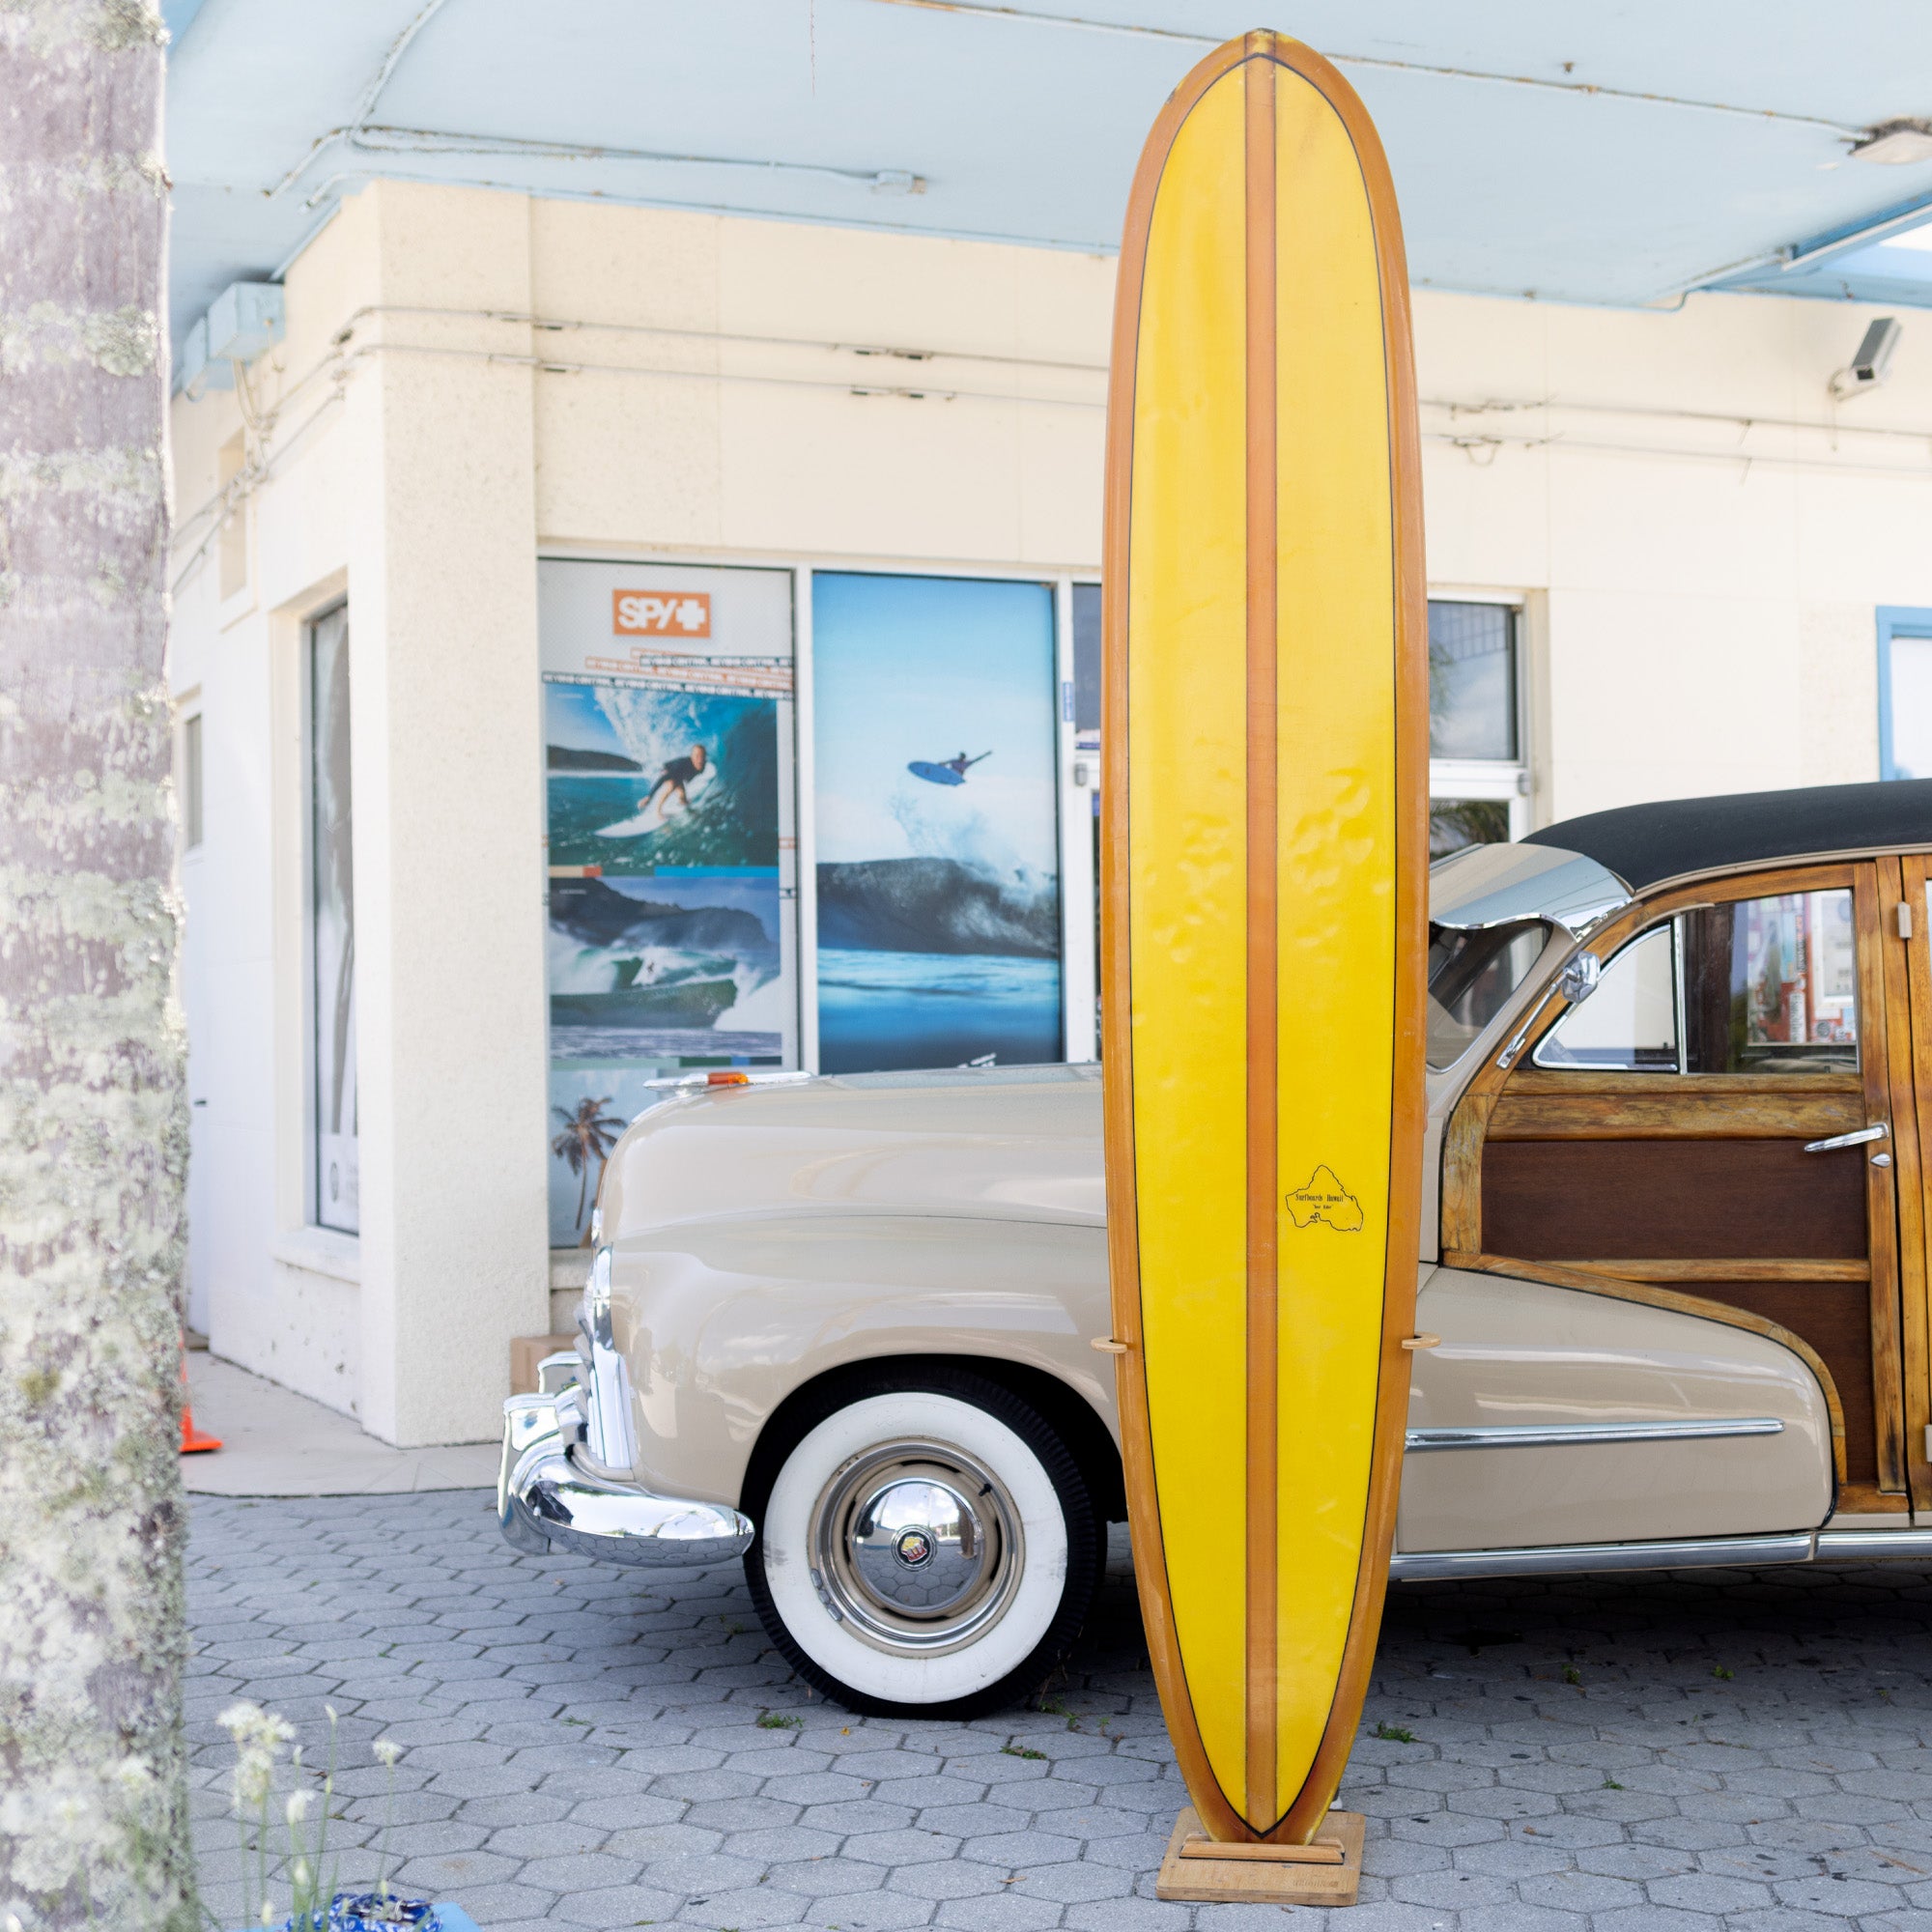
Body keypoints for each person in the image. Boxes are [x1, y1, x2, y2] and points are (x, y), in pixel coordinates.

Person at [642, 743, 707, 814]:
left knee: (683, 799)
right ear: (691, 756)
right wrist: (649, 796)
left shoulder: (703, 765)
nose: (700, 759)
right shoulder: (682, 765)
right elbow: (662, 779)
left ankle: (683, 804)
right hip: (667, 771)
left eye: (702, 756)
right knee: (672, 786)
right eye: (697, 756)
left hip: (679, 775)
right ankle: (658, 811)